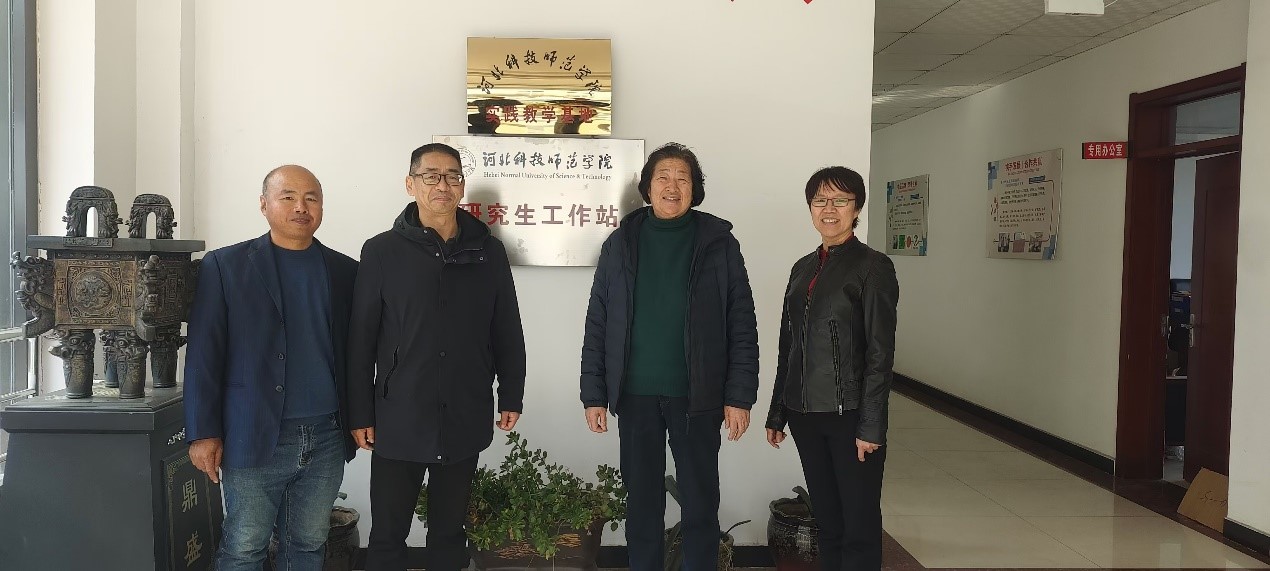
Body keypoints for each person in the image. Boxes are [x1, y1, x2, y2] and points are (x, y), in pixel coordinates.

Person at [579, 142, 759, 571]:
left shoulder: (718, 243)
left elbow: (741, 321)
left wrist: (739, 396)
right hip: (635, 394)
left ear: (695, 189)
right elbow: (598, 320)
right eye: (663, 177)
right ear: (647, 187)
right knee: (641, 503)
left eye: (683, 178)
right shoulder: (620, 243)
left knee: (700, 503)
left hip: (698, 396)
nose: (672, 186)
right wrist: (594, 393)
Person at [347, 142, 527, 571]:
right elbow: (361, 339)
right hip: (399, 414)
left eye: (452, 176)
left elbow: (506, 327)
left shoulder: (487, 251)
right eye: (430, 176)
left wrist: (512, 393)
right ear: (410, 184)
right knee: (388, 534)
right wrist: (360, 412)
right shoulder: (382, 251)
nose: (442, 185)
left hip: (464, 410)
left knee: (449, 534)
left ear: (462, 186)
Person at [184, 164, 360, 570]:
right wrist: (203, 432)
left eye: (312, 198)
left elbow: (357, 351)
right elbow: (203, 355)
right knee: (244, 546)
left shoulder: (346, 271)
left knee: (309, 544)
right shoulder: (225, 266)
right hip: (253, 431)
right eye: (288, 197)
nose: (301, 207)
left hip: (326, 434)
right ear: (264, 204)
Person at [765, 166, 899, 571]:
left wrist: (871, 425)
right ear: (810, 207)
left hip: (850, 416)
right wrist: (778, 411)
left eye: (840, 200)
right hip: (805, 415)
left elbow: (880, 353)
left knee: (859, 523)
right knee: (828, 521)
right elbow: (789, 346)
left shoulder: (873, 267)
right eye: (820, 200)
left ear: (856, 209)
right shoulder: (802, 268)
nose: (829, 209)